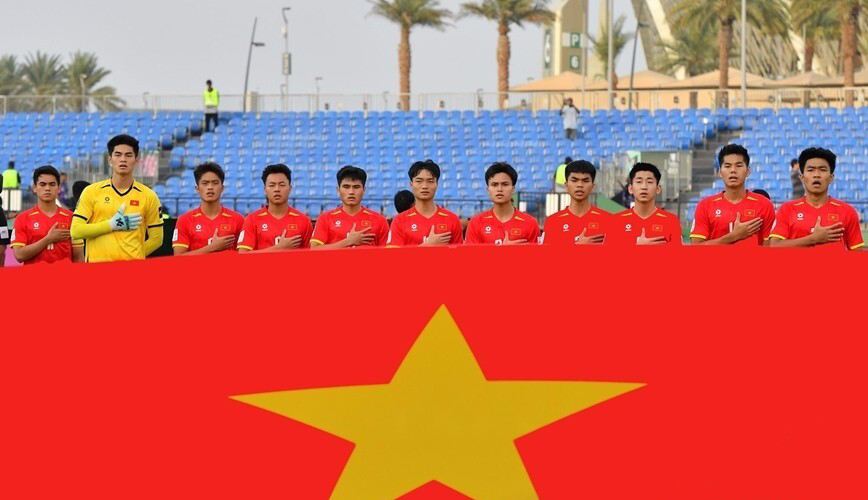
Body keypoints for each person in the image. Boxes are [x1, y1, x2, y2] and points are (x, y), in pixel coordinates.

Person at [70, 134, 164, 262]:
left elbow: (156, 239)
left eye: (128, 155)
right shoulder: (91, 191)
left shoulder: (149, 196)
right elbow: (76, 231)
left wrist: (134, 257)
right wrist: (111, 225)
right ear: (110, 159)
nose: (123, 159)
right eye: (118, 155)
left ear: (136, 160)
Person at [768, 147, 864, 251]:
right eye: (810, 170)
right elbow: (774, 247)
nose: (816, 175)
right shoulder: (787, 209)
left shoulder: (847, 211)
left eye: (823, 170)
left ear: (831, 177)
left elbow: (857, 254)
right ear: (802, 177)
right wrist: (813, 239)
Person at [689, 144, 774, 246]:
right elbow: (696, 248)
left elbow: (770, 248)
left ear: (748, 171)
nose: (733, 170)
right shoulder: (705, 206)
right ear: (720, 172)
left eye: (739, 165)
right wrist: (734, 236)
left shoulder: (764, 205)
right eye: (727, 166)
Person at [10, 165, 84, 264]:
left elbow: (79, 258)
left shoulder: (71, 217)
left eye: (52, 184)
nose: (47, 188)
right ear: (34, 188)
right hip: (33, 274)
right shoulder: (22, 219)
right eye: (42, 184)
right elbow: (19, 255)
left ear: (59, 188)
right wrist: (48, 239)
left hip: (64, 274)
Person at [172, 162, 244, 256]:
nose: (210, 187)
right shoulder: (184, 220)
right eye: (205, 183)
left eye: (215, 183)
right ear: (197, 188)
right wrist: (212, 247)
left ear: (222, 188)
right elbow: (178, 257)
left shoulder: (238, 220)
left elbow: (246, 255)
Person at [237, 164, 312, 252]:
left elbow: (311, 255)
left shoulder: (303, 221)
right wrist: (279, 248)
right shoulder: (252, 220)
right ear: (265, 190)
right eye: (272, 185)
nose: (277, 189)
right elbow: (243, 255)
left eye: (282, 185)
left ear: (290, 188)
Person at [387, 160, 463, 246]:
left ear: (437, 184)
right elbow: (393, 254)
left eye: (430, 181)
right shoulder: (399, 221)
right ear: (411, 185)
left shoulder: (452, 220)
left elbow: (460, 253)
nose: (424, 186)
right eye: (419, 181)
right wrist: (427, 246)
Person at [311, 166, 389, 249]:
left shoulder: (379, 220)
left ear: (364, 190)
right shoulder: (325, 219)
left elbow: (387, 253)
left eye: (356, 187)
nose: (351, 192)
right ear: (338, 190)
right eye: (346, 187)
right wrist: (348, 241)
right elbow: (314, 250)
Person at [465, 162, 540, 245]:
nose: (499, 189)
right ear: (488, 190)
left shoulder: (530, 223)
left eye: (505, 184)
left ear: (513, 189)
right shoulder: (476, 223)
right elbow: (470, 253)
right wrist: (503, 250)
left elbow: (536, 253)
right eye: (494, 185)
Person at [542, 160, 613, 245]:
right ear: (566, 185)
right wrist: (577, 247)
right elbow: (548, 253)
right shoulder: (553, 222)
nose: (580, 185)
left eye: (585, 181)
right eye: (574, 180)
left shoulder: (609, 220)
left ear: (593, 186)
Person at [611, 163, 682, 245]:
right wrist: (637, 247)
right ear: (630, 189)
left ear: (658, 189)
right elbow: (608, 253)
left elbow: (678, 253)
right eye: (639, 182)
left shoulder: (671, 221)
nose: (644, 187)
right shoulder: (616, 221)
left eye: (649, 182)